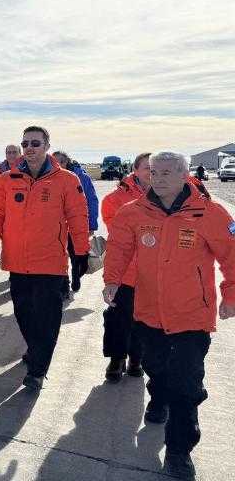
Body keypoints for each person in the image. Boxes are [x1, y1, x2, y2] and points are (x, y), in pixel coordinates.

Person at [103, 151, 235, 479]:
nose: (157, 178)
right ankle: (157, 397)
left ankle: (179, 451)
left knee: (187, 384)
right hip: (149, 313)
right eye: (153, 172)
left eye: (166, 172)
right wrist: (112, 280)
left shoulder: (209, 213)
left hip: (193, 315)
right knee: (156, 370)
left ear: (184, 175)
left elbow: (232, 256)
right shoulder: (132, 212)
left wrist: (231, 296)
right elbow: (119, 248)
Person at [0, 126, 90, 390]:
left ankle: (38, 369)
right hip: (17, 262)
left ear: (46, 146)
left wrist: (80, 251)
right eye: (25, 143)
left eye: (35, 143)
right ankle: (36, 350)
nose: (30, 148)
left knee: (48, 318)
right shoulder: (6, 180)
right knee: (24, 314)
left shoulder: (66, 180)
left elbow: (77, 217)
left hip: (50, 263)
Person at [99, 152, 151, 382]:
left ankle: (136, 359)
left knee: (144, 320)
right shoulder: (116, 199)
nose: (152, 172)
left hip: (154, 274)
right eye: (147, 168)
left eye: (156, 168)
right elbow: (119, 235)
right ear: (135, 170)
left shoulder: (170, 195)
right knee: (119, 318)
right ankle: (116, 358)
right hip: (126, 272)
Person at [53, 151, 99, 298]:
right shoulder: (50, 178)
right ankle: (64, 284)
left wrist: (91, 224)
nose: (56, 164)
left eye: (59, 161)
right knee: (60, 255)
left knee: (74, 254)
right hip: (57, 225)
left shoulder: (82, 177)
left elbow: (92, 201)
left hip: (77, 223)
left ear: (66, 162)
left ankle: (76, 277)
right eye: (54, 161)